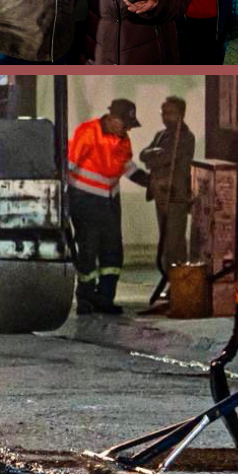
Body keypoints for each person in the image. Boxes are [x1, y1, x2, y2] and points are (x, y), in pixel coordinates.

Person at [67, 99, 150, 316]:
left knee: (112, 253)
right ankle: (85, 299)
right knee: (88, 251)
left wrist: (150, 182)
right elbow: (69, 165)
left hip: (110, 201)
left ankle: (105, 298)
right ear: (112, 119)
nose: (128, 129)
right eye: (126, 124)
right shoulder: (88, 133)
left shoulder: (122, 139)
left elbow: (127, 167)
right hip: (85, 200)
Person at [139, 96, 195, 277]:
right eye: (163, 113)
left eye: (170, 113)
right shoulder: (161, 135)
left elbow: (164, 159)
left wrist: (154, 158)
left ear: (181, 114)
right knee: (165, 239)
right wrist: (154, 154)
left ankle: (178, 280)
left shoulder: (186, 137)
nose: (166, 117)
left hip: (175, 194)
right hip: (160, 193)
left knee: (174, 240)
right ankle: (169, 277)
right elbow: (143, 154)